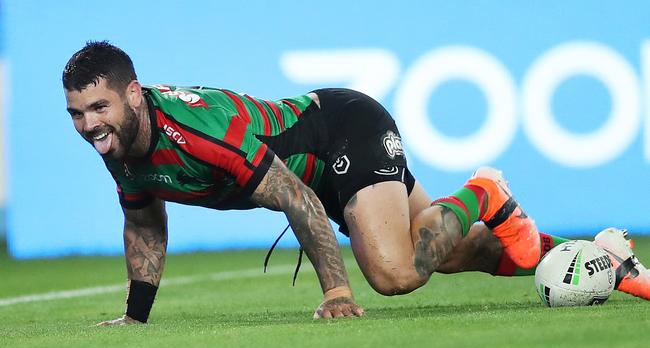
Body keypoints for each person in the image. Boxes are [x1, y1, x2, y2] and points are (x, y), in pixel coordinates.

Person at [62, 41, 649, 325]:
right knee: (449, 251)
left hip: (343, 129)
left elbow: (298, 197)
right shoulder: (120, 143)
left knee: (392, 274)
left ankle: (485, 194)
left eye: (98, 107)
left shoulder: (197, 130)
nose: (90, 126)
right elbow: (143, 219)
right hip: (328, 162)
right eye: (77, 115)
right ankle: (603, 262)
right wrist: (136, 316)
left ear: (132, 94)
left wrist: (337, 292)